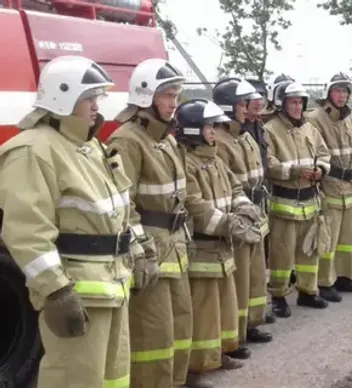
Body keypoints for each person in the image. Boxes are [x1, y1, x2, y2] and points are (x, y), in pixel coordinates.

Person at [0, 55, 142, 387]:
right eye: (89, 98)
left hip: (113, 284)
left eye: (96, 97)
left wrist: (138, 248)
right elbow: (27, 233)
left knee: (113, 377)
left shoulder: (90, 146)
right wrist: (56, 292)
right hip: (77, 293)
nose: (97, 105)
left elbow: (119, 209)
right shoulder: (32, 150)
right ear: (62, 97)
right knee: (75, 379)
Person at [106, 58, 194, 388]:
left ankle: (174, 382)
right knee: (152, 333)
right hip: (151, 252)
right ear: (145, 97)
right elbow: (121, 203)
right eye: (166, 95)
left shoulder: (167, 139)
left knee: (180, 324)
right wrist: (140, 247)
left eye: (176, 95)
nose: (173, 103)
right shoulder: (127, 140)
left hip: (175, 245)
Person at [175, 99, 264, 387]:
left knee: (223, 307)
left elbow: (235, 188)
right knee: (203, 311)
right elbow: (195, 206)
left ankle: (217, 354)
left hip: (222, 246)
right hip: (202, 247)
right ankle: (195, 368)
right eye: (208, 126)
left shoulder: (214, 159)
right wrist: (231, 225)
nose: (213, 131)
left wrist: (245, 209)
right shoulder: (186, 163)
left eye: (214, 126)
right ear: (193, 129)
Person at [211, 77, 273, 350]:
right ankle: (233, 335)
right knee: (240, 278)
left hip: (255, 213)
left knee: (256, 274)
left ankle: (251, 324)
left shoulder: (246, 136)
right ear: (230, 107)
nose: (249, 108)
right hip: (238, 218)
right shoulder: (220, 141)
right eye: (243, 104)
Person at [264, 81, 332, 317]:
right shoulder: (270, 129)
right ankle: (279, 296)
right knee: (281, 253)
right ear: (281, 104)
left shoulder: (310, 129)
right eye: (293, 102)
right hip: (284, 204)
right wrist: (294, 172)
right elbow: (268, 164)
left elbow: (324, 154)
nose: (298, 107)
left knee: (309, 251)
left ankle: (307, 291)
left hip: (310, 201)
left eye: (300, 102)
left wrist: (321, 170)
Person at [307, 72, 352, 301]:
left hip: (349, 187)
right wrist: (318, 188)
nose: (341, 96)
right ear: (328, 93)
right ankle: (325, 282)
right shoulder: (315, 119)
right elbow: (314, 155)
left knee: (347, 239)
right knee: (327, 239)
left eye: (345, 91)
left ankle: (344, 277)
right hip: (329, 186)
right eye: (337, 91)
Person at [244, 78, 278, 325]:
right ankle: (246, 318)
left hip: (260, 197)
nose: (259, 102)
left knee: (258, 260)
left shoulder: (259, 127)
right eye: (253, 98)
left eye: (261, 97)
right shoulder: (235, 131)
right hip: (242, 202)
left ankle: (257, 312)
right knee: (246, 263)